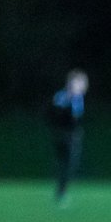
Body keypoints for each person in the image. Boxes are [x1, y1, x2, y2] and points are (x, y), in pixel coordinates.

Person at [47, 70, 88, 206]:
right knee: (64, 163)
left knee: (70, 164)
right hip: (63, 134)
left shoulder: (78, 98)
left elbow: (78, 118)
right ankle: (61, 190)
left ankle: (62, 189)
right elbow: (56, 113)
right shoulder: (62, 96)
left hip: (73, 135)